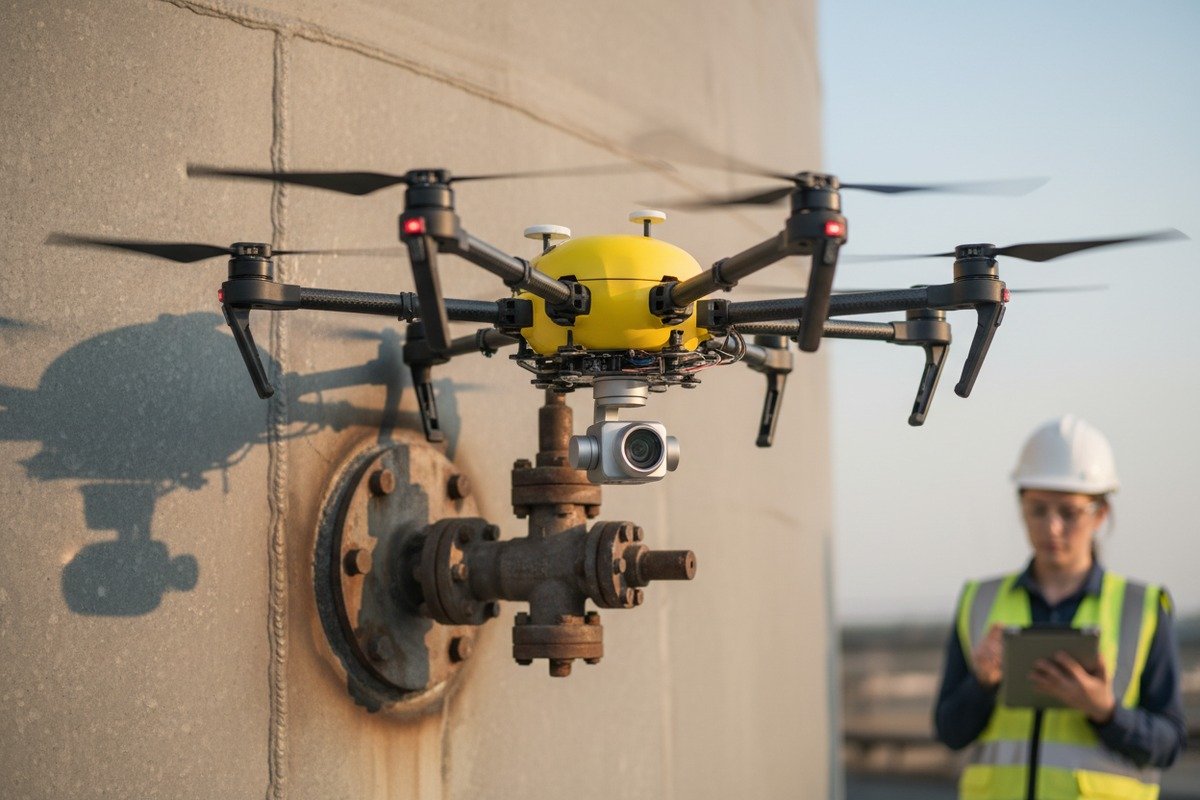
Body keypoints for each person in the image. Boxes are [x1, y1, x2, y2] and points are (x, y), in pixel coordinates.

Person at [933, 415, 1187, 800]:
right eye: (1038, 510)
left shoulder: (1144, 608)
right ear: (1021, 507)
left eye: (1068, 512)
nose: (1052, 528)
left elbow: (1169, 745)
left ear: (1100, 514)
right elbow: (950, 733)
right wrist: (981, 685)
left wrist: (1106, 712)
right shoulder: (979, 601)